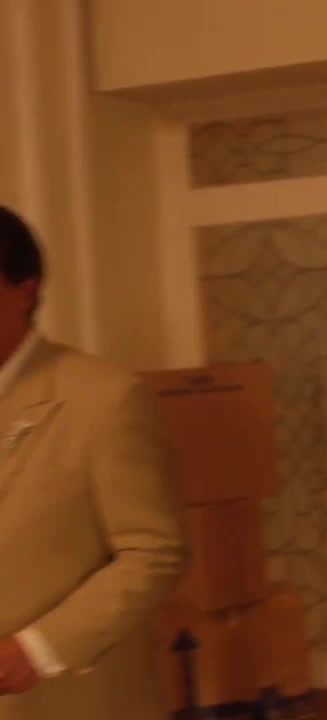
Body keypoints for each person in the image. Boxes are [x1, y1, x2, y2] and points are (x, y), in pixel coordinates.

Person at [0, 207, 187, 720]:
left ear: (25, 291)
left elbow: (153, 552)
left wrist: (41, 648)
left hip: (62, 701)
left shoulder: (104, 398)